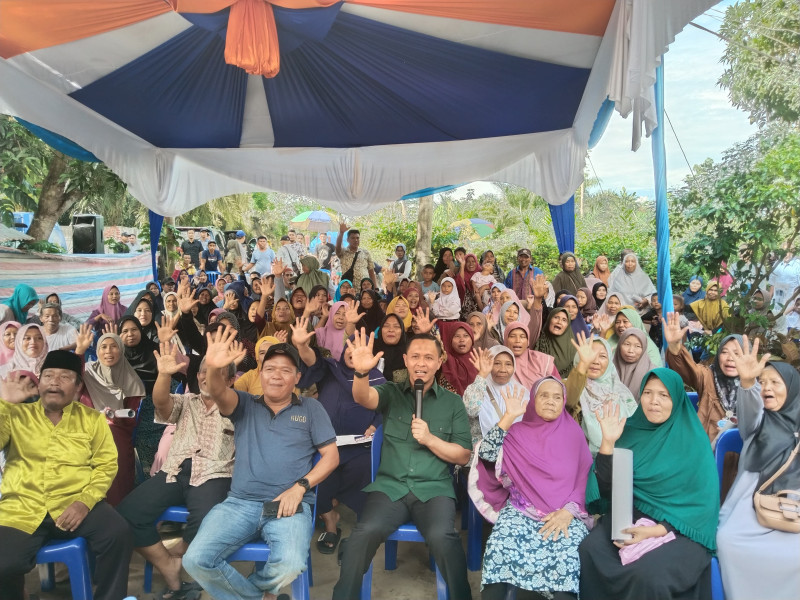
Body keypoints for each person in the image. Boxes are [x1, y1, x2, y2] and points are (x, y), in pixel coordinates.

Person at [182, 332, 339, 600]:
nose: (276, 375)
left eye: (285, 370)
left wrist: (299, 488)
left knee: (290, 564)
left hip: (288, 504)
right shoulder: (244, 404)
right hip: (239, 504)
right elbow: (217, 390)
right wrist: (214, 365)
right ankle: (262, 596)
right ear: (260, 373)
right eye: (270, 369)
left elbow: (331, 457)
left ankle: (249, 594)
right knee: (195, 559)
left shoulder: (311, 409)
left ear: (297, 378)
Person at [332, 330, 472, 600]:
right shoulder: (391, 393)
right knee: (362, 536)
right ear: (406, 360)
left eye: (429, 357)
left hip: (434, 490)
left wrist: (430, 439)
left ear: (440, 361)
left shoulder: (453, 403)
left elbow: (463, 455)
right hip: (390, 488)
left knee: (445, 538)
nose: (422, 363)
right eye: (416, 356)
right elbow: (364, 398)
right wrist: (361, 373)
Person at [0, 350, 134, 600]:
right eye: (48, 375)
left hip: (74, 502)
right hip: (22, 507)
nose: (54, 381)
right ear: (39, 382)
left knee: (117, 533)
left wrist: (85, 502)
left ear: (77, 386)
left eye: (64, 376)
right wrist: (4, 404)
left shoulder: (93, 420)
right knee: (4, 564)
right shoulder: (15, 414)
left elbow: (106, 465)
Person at [579, 368, 719, 600]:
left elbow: (702, 506)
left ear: (676, 399)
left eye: (664, 395)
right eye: (648, 393)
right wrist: (607, 443)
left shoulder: (693, 441)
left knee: (648, 577)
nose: (654, 401)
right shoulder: (631, 431)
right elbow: (606, 490)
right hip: (627, 518)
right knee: (590, 551)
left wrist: (655, 531)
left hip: (679, 529)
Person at [117, 345, 236, 600]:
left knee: (209, 520)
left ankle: (181, 556)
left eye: (216, 371)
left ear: (231, 380)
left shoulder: (237, 406)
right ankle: (168, 566)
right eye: (203, 371)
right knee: (126, 515)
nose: (206, 376)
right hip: (174, 471)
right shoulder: (187, 401)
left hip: (214, 474)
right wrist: (164, 375)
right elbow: (161, 402)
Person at [470, 378, 593, 600]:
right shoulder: (516, 432)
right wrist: (507, 418)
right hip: (520, 511)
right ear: (533, 400)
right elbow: (487, 455)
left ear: (564, 401)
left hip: (564, 515)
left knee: (569, 558)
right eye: (544, 395)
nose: (550, 401)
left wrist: (568, 512)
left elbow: (585, 478)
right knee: (498, 548)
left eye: (557, 397)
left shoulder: (574, 434)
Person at [716, 338, 800, 600]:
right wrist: (749, 383)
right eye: (764, 383)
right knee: (728, 543)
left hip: (793, 509)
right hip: (749, 508)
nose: (768, 388)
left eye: (775, 382)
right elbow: (750, 411)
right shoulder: (757, 421)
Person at [291, 320, 383, 554]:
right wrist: (302, 347)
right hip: (326, 446)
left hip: (360, 448)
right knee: (316, 484)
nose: (353, 353)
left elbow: (387, 410)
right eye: (349, 349)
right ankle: (331, 521)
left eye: (360, 350)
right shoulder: (331, 370)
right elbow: (313, 361)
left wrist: (375, 425)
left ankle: (358, 538)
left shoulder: (378, 380)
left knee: (365, 479)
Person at [77, 330, 144, 505]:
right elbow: (72, 377)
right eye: (104, 347)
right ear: (97, 351)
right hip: (85, 429)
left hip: (118, 430)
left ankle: (117, 504)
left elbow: (132, 418)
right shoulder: (88, 373)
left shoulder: (131, 379)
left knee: (112, 442)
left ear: (121, 350)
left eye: (114, 347)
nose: (108, 351)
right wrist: (80, 351)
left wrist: (115, 418)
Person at [566, 333, 638, 454]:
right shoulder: (570, 385)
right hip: (582, 457)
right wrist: (583, 365)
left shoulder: (621, 391)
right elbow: (568, 400)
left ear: (610, 361)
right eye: (590, 355)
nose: (596, 361)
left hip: (619, 457)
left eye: (603, 356)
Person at [463, 345, 527, 445]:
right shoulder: (478, 387)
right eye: (497, 363)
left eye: (508, 364)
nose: (503, 369)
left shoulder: (521, 392)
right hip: (482, 451)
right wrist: (482, 374)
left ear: (514, 367)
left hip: (513, 448)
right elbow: (471, 410)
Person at [501, 322, 559, 388]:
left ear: (528, 341)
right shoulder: (497, 361)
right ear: (505, 339)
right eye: (512, 336)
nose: (517, 340)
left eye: (522, 337)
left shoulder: (542, 360)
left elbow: (559, 387)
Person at [612, 328, 656, 401]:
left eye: (637, 346)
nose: (631, 351)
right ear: (619, 345)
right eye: (627, 344)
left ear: (644, 348)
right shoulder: (608, 368)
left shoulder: (652, 373)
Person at [336, 223, 376, 288]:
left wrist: (375, 288)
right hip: (349, 289)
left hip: (364, 290)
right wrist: (341, 233)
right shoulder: (343, 252)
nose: (356, 240)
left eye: (357, 238)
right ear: (347, 240)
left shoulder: (365, 253)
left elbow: (371, 272)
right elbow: (337, 248)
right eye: (353, 238)